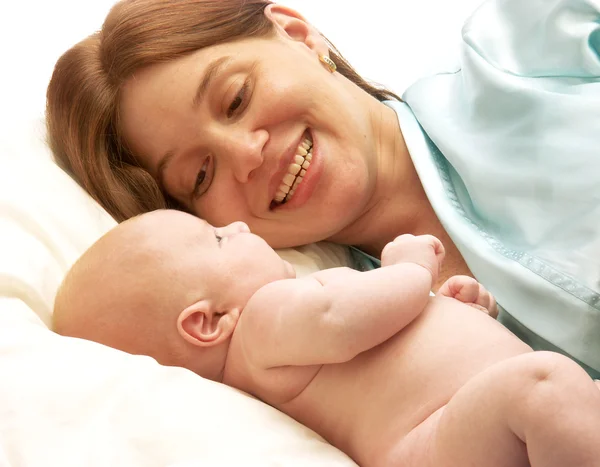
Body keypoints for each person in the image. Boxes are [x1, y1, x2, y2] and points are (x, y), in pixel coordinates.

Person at [45, 0, 600, 377]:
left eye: (236, 98)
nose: (246, 154)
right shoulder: (339, 350)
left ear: (297, 34)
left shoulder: (529, 46)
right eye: (200, 176)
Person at [53, 209, 600, 467]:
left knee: (562, 400)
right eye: (216, 238)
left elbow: (382, 346)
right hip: (434, 439)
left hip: (463, 426)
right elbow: (343, 321)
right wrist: (407, 271)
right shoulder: (262, 322)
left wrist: (455, 311)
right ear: (207, 322)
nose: (239, 226)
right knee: (545, 387)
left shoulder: (278, 337)